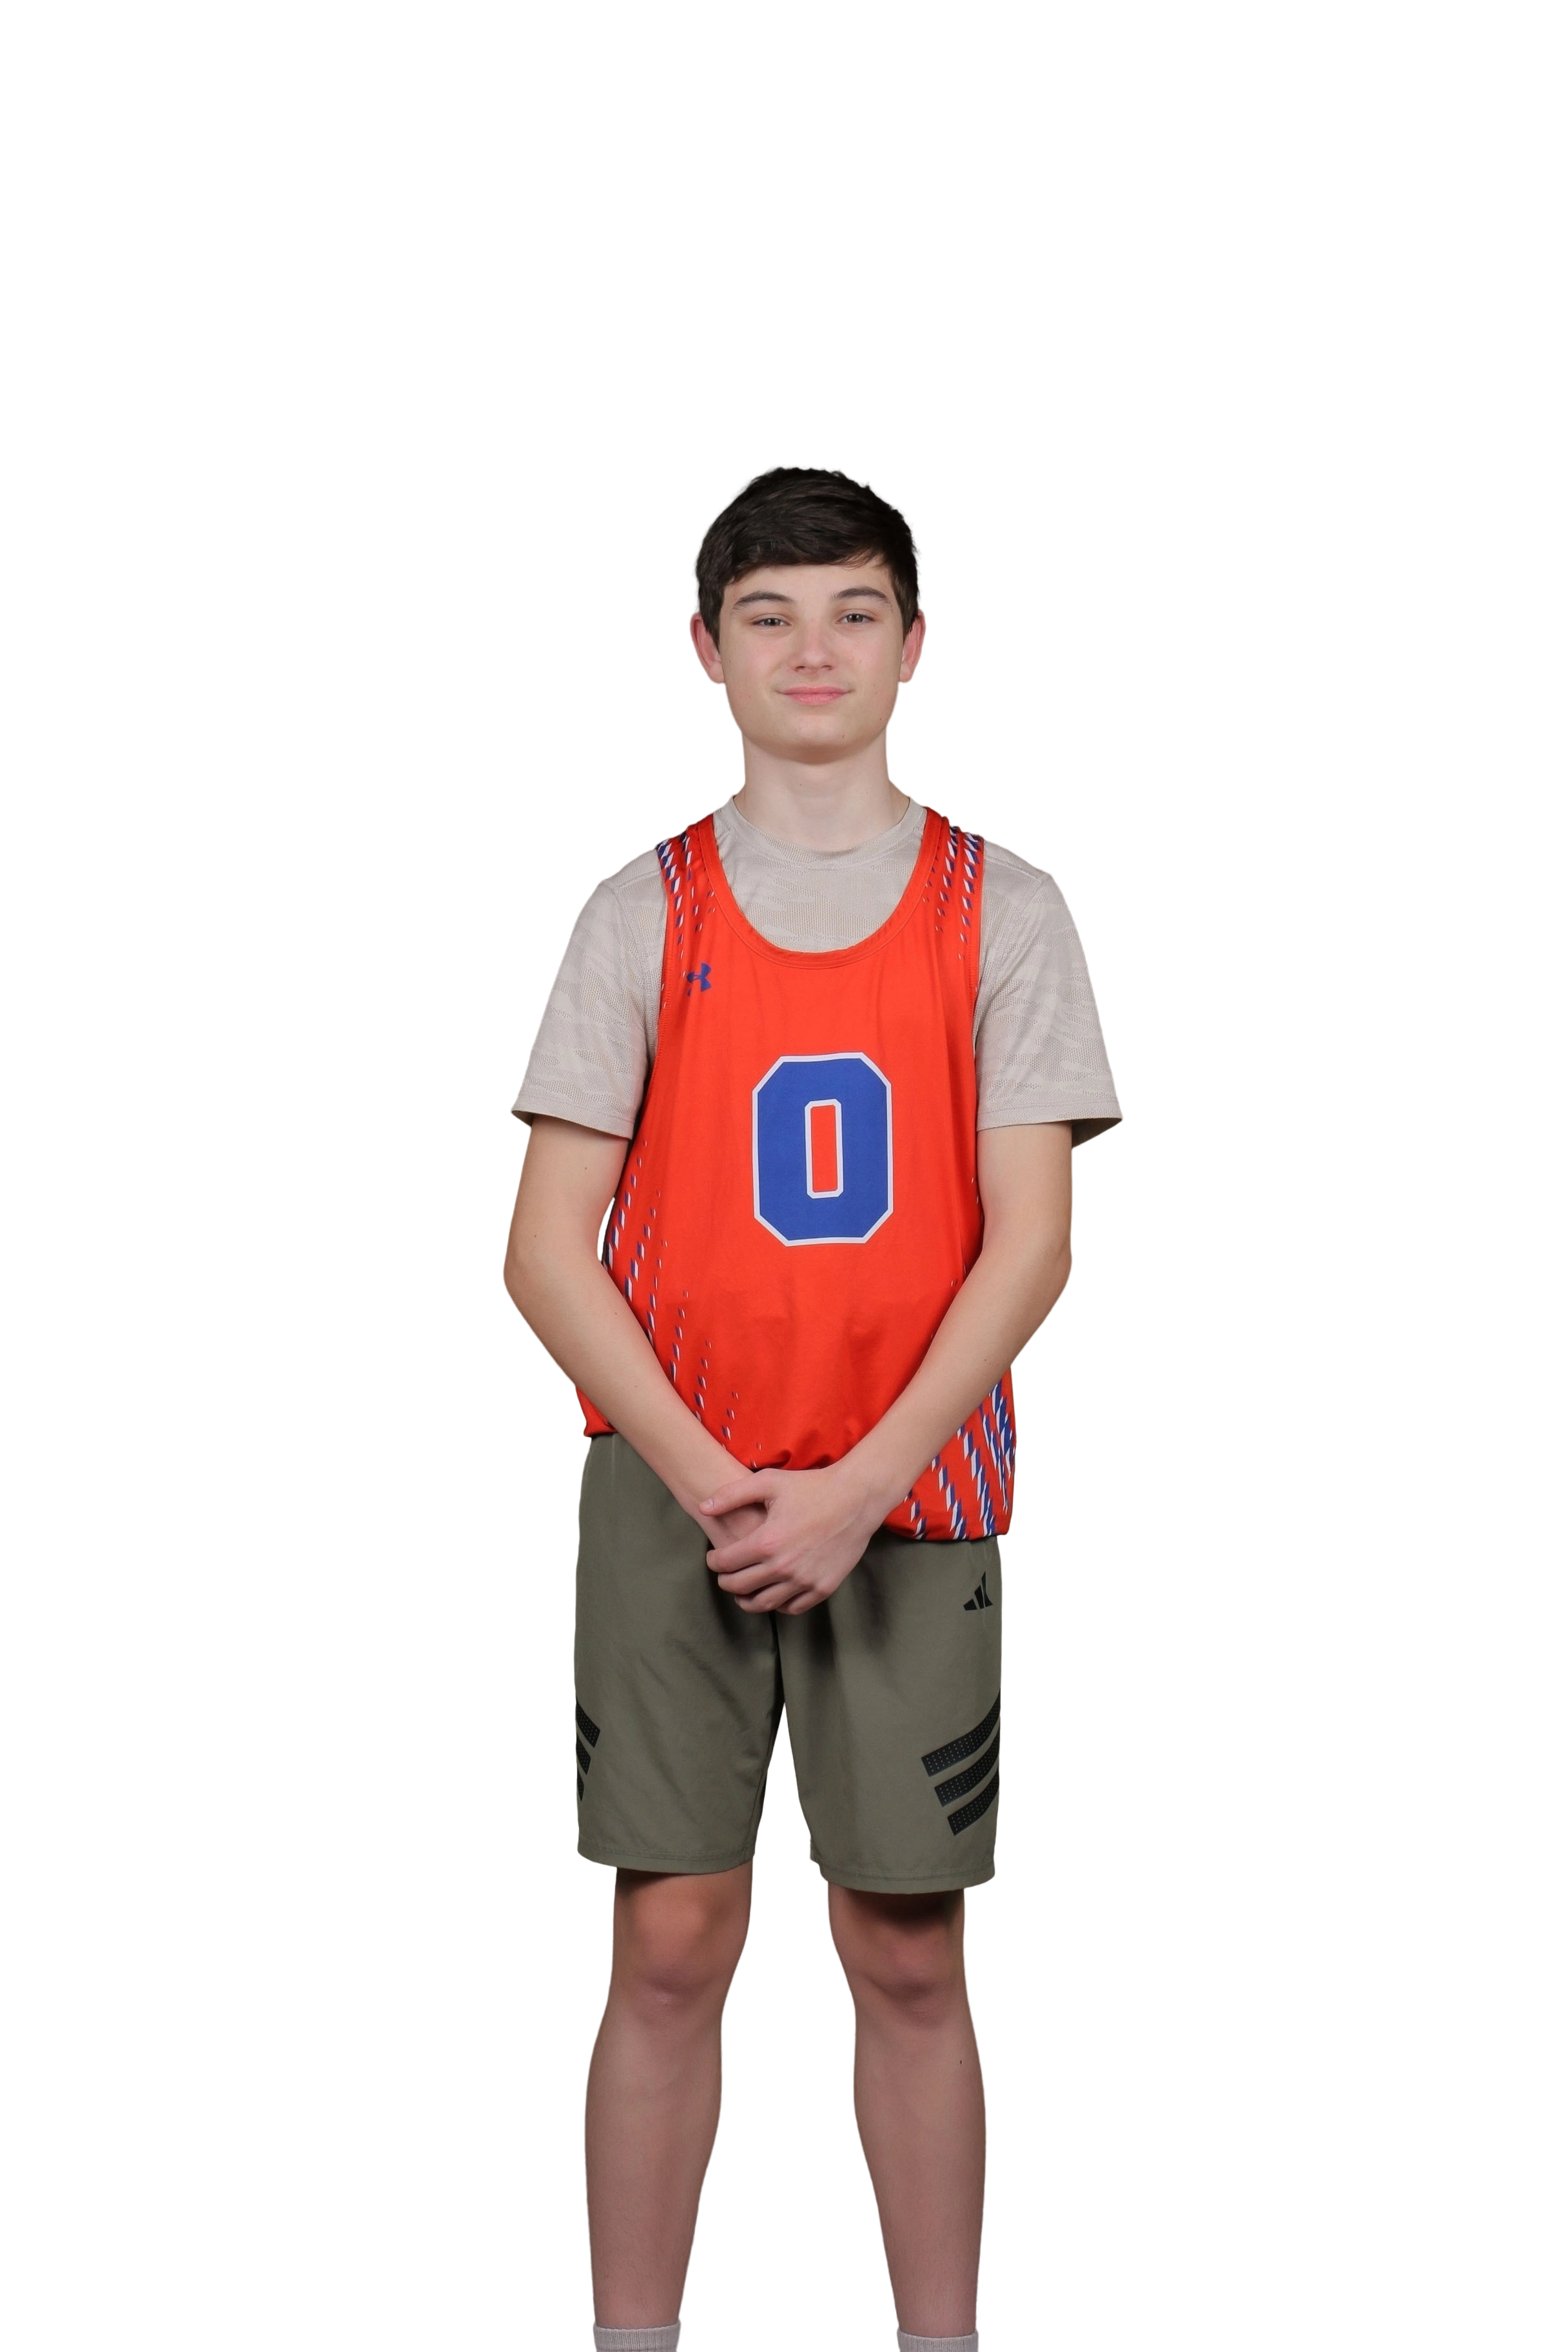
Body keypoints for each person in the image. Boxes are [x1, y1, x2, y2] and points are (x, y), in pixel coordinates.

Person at [501, 460, 1124, 2351]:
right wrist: (720, 1481)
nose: (813, 650)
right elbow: (544, 1253)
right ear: (705, 649)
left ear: (918, 646)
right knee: (669, 1934)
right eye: (767, 617)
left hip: (913, 1498)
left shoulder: (1006, 910)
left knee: (909, 1944)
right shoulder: (641, 909)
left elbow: (1032, 1240)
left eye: (856, 611)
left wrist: (860, 1481)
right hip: (672, 1488)